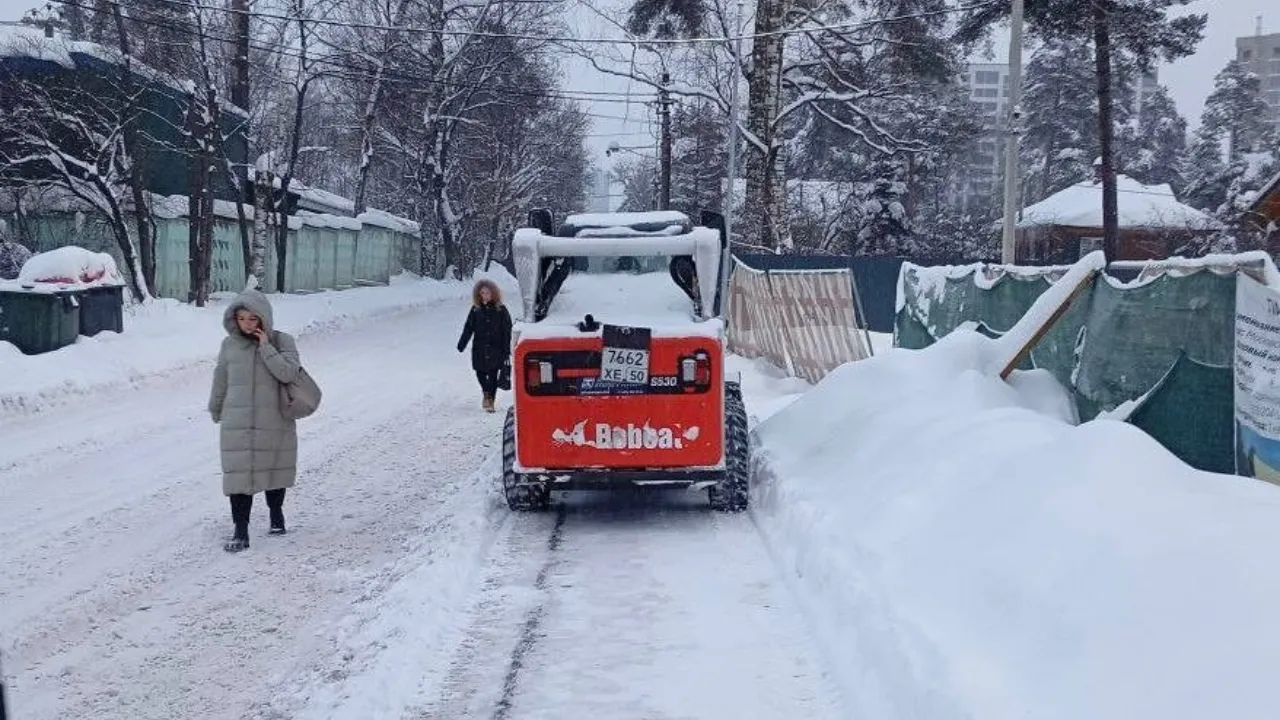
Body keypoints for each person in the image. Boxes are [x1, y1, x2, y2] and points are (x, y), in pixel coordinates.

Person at [208, 284, 300, 552]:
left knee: (274, 470)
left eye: (253, 318)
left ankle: (276, 515)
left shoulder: (283, 342)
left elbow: (288, 374)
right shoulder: (229, 345)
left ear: (263, 318)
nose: (247, 324)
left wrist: (265, 347)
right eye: (241, 318)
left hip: (273, 420)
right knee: (238, 476)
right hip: (236, 420)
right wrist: (216, 406)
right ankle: (240, 530)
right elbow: (220, 378)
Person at [457, 278, 512, 412]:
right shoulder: (476, 310)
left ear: (493, 294)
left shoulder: (501, 310)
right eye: (482, 293)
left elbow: (507, 330)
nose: (485, 295)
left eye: (487, 293)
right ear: (478, 294)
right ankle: (486, 392)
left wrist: (506, 349)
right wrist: (462, 343)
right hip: (479, 348)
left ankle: (491, 401)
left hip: (496, 348)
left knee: (493, 374)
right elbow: (468, 327)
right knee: (480, 372)